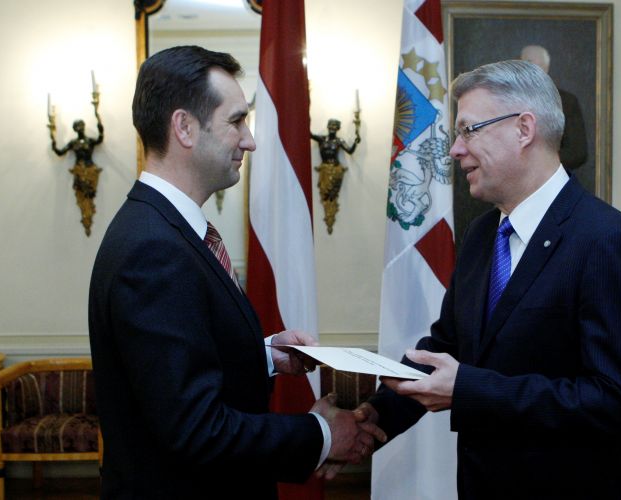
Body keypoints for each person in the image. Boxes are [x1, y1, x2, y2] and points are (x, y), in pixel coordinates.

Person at [349, 60, 621, 498]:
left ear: (524, 129)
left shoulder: (605, 239)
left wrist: (470, 389)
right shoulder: (482, 235)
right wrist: (373, 419)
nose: (455, 150)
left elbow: (617, 402)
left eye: (468, 130)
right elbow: (448, 347)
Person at [88, 45, 384, 499]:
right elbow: (196, 429)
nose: (250, 140)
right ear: (184, 127)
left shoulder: (164, 229)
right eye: (236, 121)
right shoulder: (154, 248)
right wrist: (323, 434)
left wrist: (263, 355)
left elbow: (182, 367)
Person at [520, 44, 588, 170]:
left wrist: (540, 161)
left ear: (546, 69)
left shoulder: (566, 102)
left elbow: (577, 152)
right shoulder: (506, 100)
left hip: (552, 176)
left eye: (536, 66)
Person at [49, 101, 104, 235]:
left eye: (81, 125)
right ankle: (85, 215)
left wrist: (97, 116)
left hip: (90, 171)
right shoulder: (73, 143)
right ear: (75, 129)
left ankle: (88, 213)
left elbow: (100, 138)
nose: (80, 128)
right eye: (77, 126)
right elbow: (60, 152)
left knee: (89, 194)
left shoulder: (89, 141)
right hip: (79, 171)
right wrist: (53, 139)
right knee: (81, 194)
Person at [310, 119, 360, 233]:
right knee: (325, 193)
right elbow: (309, 134)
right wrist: (307, 117)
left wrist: (356, 141)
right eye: (331, 125)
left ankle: (331, 213)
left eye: (335, 126)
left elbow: (350, 151)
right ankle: (328, 214)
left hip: (336, 169)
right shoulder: (322, 139)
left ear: (338, 128)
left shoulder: (339, 141)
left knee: (333, 193)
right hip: (324, 170)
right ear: (328, 126)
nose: (333, 127)